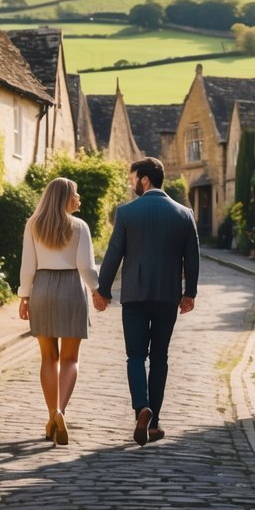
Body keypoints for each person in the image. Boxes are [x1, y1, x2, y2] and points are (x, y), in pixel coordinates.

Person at [93, 157, 200, 446]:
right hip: (167, 296)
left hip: (135, 296)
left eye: (133, 178)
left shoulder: (127, 213)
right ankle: (154, 425)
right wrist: (189, 292)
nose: (131, 184)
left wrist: (102, 290)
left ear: (144, 180)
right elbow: (192, 257)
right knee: (160, 357)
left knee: (136, 355)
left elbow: (114, 254)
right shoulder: (184, 214)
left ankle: (142, 408)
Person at [19, 177, 100, 446]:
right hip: (71, 290)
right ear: (65, 198)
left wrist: (24, 296)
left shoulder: (33, 224)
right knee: (70, 359)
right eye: (76, 194)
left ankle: (51, 415)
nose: (79, 199)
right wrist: (98, 291)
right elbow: (86, 267)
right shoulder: (80, 226)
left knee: (47, 359)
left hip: (41, 289)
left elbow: (28, 265)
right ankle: (61, 411)